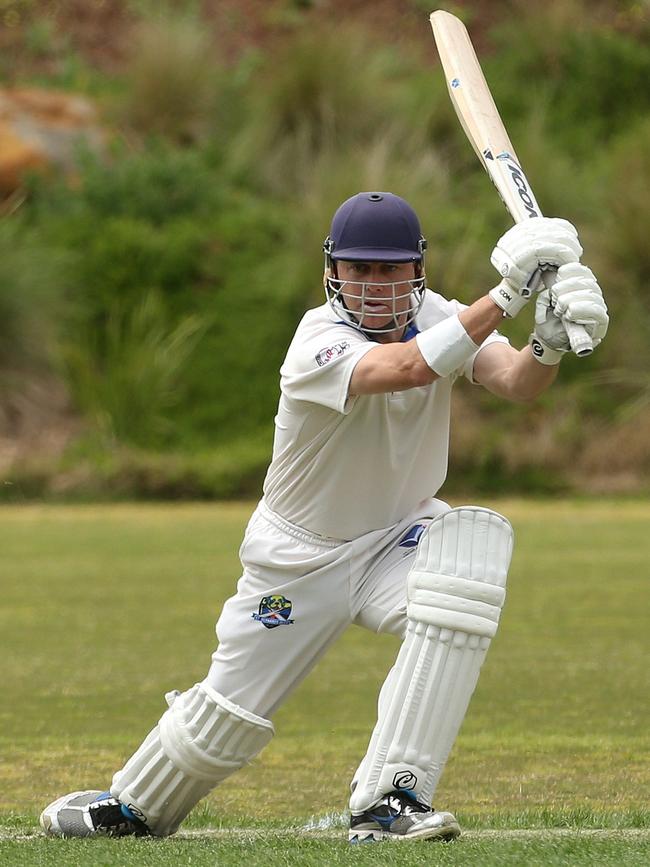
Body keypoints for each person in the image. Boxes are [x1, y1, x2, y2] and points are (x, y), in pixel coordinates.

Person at [40, 192, 608, 843]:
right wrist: (509, 292)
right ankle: (133, 802)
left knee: (467, 562)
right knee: (226, 716)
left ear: (417, 270)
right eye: (358, 269)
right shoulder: (317, 340)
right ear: (332, 272)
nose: (372, 284)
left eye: (388, 269)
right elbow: (408, 367)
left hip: (398, 536)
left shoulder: (441, 314)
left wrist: (548, 342)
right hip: (298, 554)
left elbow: (513, 381)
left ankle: (391, 799)